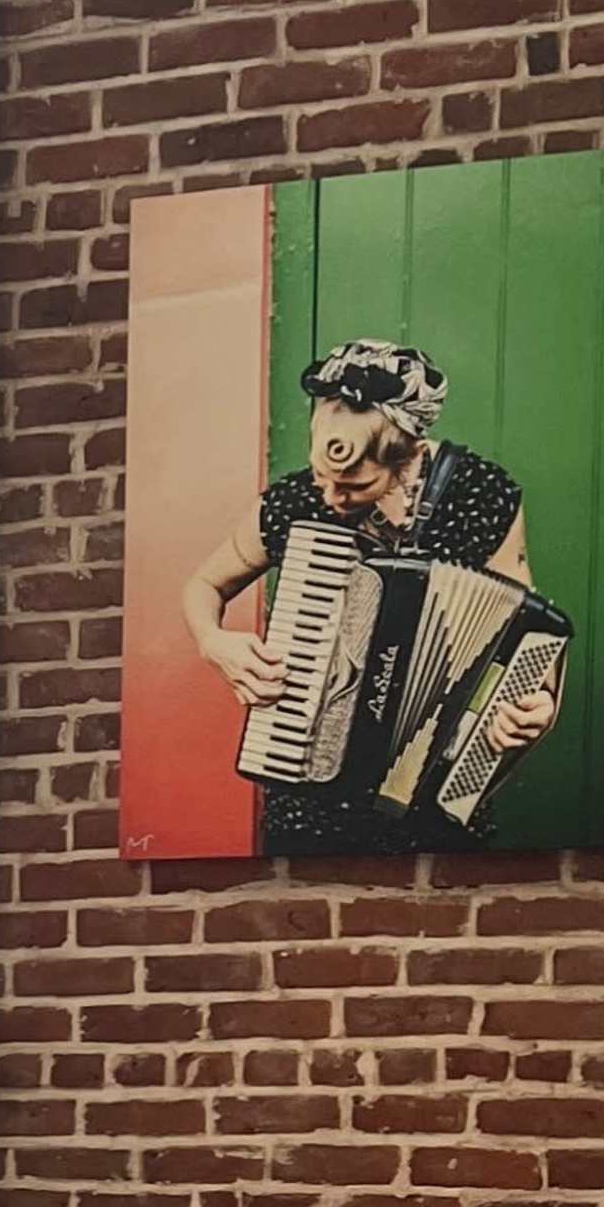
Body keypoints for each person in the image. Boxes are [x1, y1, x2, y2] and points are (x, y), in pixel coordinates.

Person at [176, 336, 568, 857]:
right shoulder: (295, 503)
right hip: (309, 797)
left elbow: (528, 640)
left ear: (407, 455)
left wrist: (537, 706)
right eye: (322, 477)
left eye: (355, 484)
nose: (331, 498)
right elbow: (203, 585)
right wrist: (214, 642)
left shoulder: (482, 496)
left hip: (435, 801)